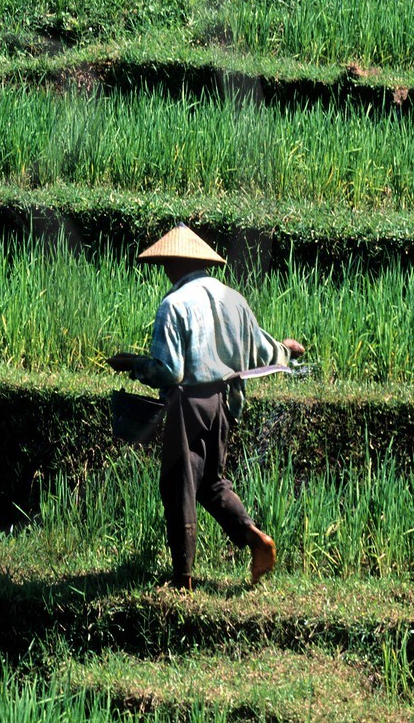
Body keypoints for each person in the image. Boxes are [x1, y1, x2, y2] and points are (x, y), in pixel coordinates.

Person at [108, 224, 304, 591]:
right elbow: (263, 350)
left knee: (179, 484)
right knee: (211, 482)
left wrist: (133, 364)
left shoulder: (174, 305)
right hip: (227, 403)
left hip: (189, 405)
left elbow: (170, 371)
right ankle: (254, 537)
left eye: (167, 261)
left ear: (174, 262)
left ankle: (182, 577)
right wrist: (285, 349)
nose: (165, 268)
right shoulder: (234, 298)